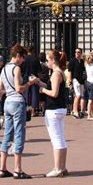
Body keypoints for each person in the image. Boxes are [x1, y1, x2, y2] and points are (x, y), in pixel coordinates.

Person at [0, 43, 37, 179]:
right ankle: (17, 168)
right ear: (18, 56)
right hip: (17, 102)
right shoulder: (16, 69)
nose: (23, 60)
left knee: (7, 134)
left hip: (7, 102)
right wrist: (29, 83)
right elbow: (19, 88)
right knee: (19, 134)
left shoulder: (3, 69)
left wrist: (9, 91)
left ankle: (3, 168)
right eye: (23, 58)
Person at [36, 49, 69, 177]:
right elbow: (53, 87)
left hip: (53, 109)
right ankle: (62, 167)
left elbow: (53, 93)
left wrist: (43, 90)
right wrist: (39, 82)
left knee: (56, 140)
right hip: (59, 108)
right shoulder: (59, 72)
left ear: (53, 60)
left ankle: (57, 168)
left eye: (48, 60)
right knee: (61, 139)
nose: (47, 62)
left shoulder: (56, 73)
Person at [22, 46, 41, 116]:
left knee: (26, 95)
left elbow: (22, 69)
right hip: (34, 77)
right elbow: (39, 70)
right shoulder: (35, 58)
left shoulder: (24, 59)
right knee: (34, 95)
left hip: (26, 78)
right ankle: (33, 111)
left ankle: (25, 110)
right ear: (32, 51)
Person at [68, 48, 86, 119]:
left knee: (81, 95)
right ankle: (74, 111)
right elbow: (70, 71)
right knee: (77, 95)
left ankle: (81, 111)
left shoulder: (81, 61)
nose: (77, 53)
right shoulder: (72, 61)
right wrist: (70, 82)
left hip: (81, 80)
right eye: (76, 52)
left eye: (78, 52)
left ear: (81, 53)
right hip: (75, 80)